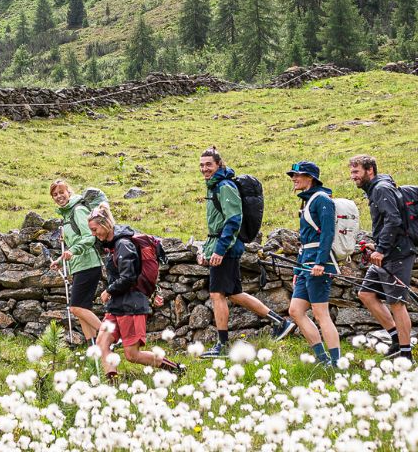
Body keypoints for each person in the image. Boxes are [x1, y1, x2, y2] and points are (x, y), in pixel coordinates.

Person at [197, 147, 294, 358]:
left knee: (217, 294)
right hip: (223, 246)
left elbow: (233, 220)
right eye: (202, 165)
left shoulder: (224, 186)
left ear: (219, 164)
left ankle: (222, 346)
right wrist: (207, 249)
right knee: (235, 293)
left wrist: (220, 250)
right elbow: (216, 223)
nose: (205, 169)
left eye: (209, 164)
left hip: (227, 248)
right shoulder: (214, 186)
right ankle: (281, 322)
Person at [88, 207, 186, 380]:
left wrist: (109, 290)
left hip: (131, 305)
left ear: (105, 224)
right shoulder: (112, 246)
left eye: (95, 230)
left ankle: (176, 369)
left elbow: (129, 277)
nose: (94, 234)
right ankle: (112, 384)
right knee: (102, 343)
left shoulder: (123, 245)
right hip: (117, 305)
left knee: (132, 355)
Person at [349, 155, 417, 360]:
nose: (353, 177)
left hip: (396, 254)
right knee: (366, 294)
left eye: (356, 172)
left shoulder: (381, 189)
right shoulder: (377, 189)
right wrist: (376, 244)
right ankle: (397, 340)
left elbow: (393, 220)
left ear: (370, 170)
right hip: (385, 252)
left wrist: (382, 249)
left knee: (397, 303)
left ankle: (406, 355)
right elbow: (386, 221)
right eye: (352, 172)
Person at [285, 161, 343, 368]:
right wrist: (298, 268)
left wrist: (320, 262)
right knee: (295, 311)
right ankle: (322, 359)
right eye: (293, 175)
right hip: (305, 264)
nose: (294, 178)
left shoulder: (323, 200)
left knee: (320, 314)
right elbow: (305, 239)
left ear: (310, 178)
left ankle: (336, 363)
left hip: (318, 265)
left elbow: (327, 233)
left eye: (298, 175)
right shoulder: (308, 201)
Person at [50, 180, 107, 345]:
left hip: (89, 264)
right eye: (55, 194)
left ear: (69, 192)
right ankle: (93, 347)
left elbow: (89, 236)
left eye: (62, 192)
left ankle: (110, 336)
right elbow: (73, 245)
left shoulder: (78, 210)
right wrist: (60, 262)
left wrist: (73, 251)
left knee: (75, 308)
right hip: (79, 265)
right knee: (82, 310)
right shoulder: (67, 215)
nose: (59, 196)